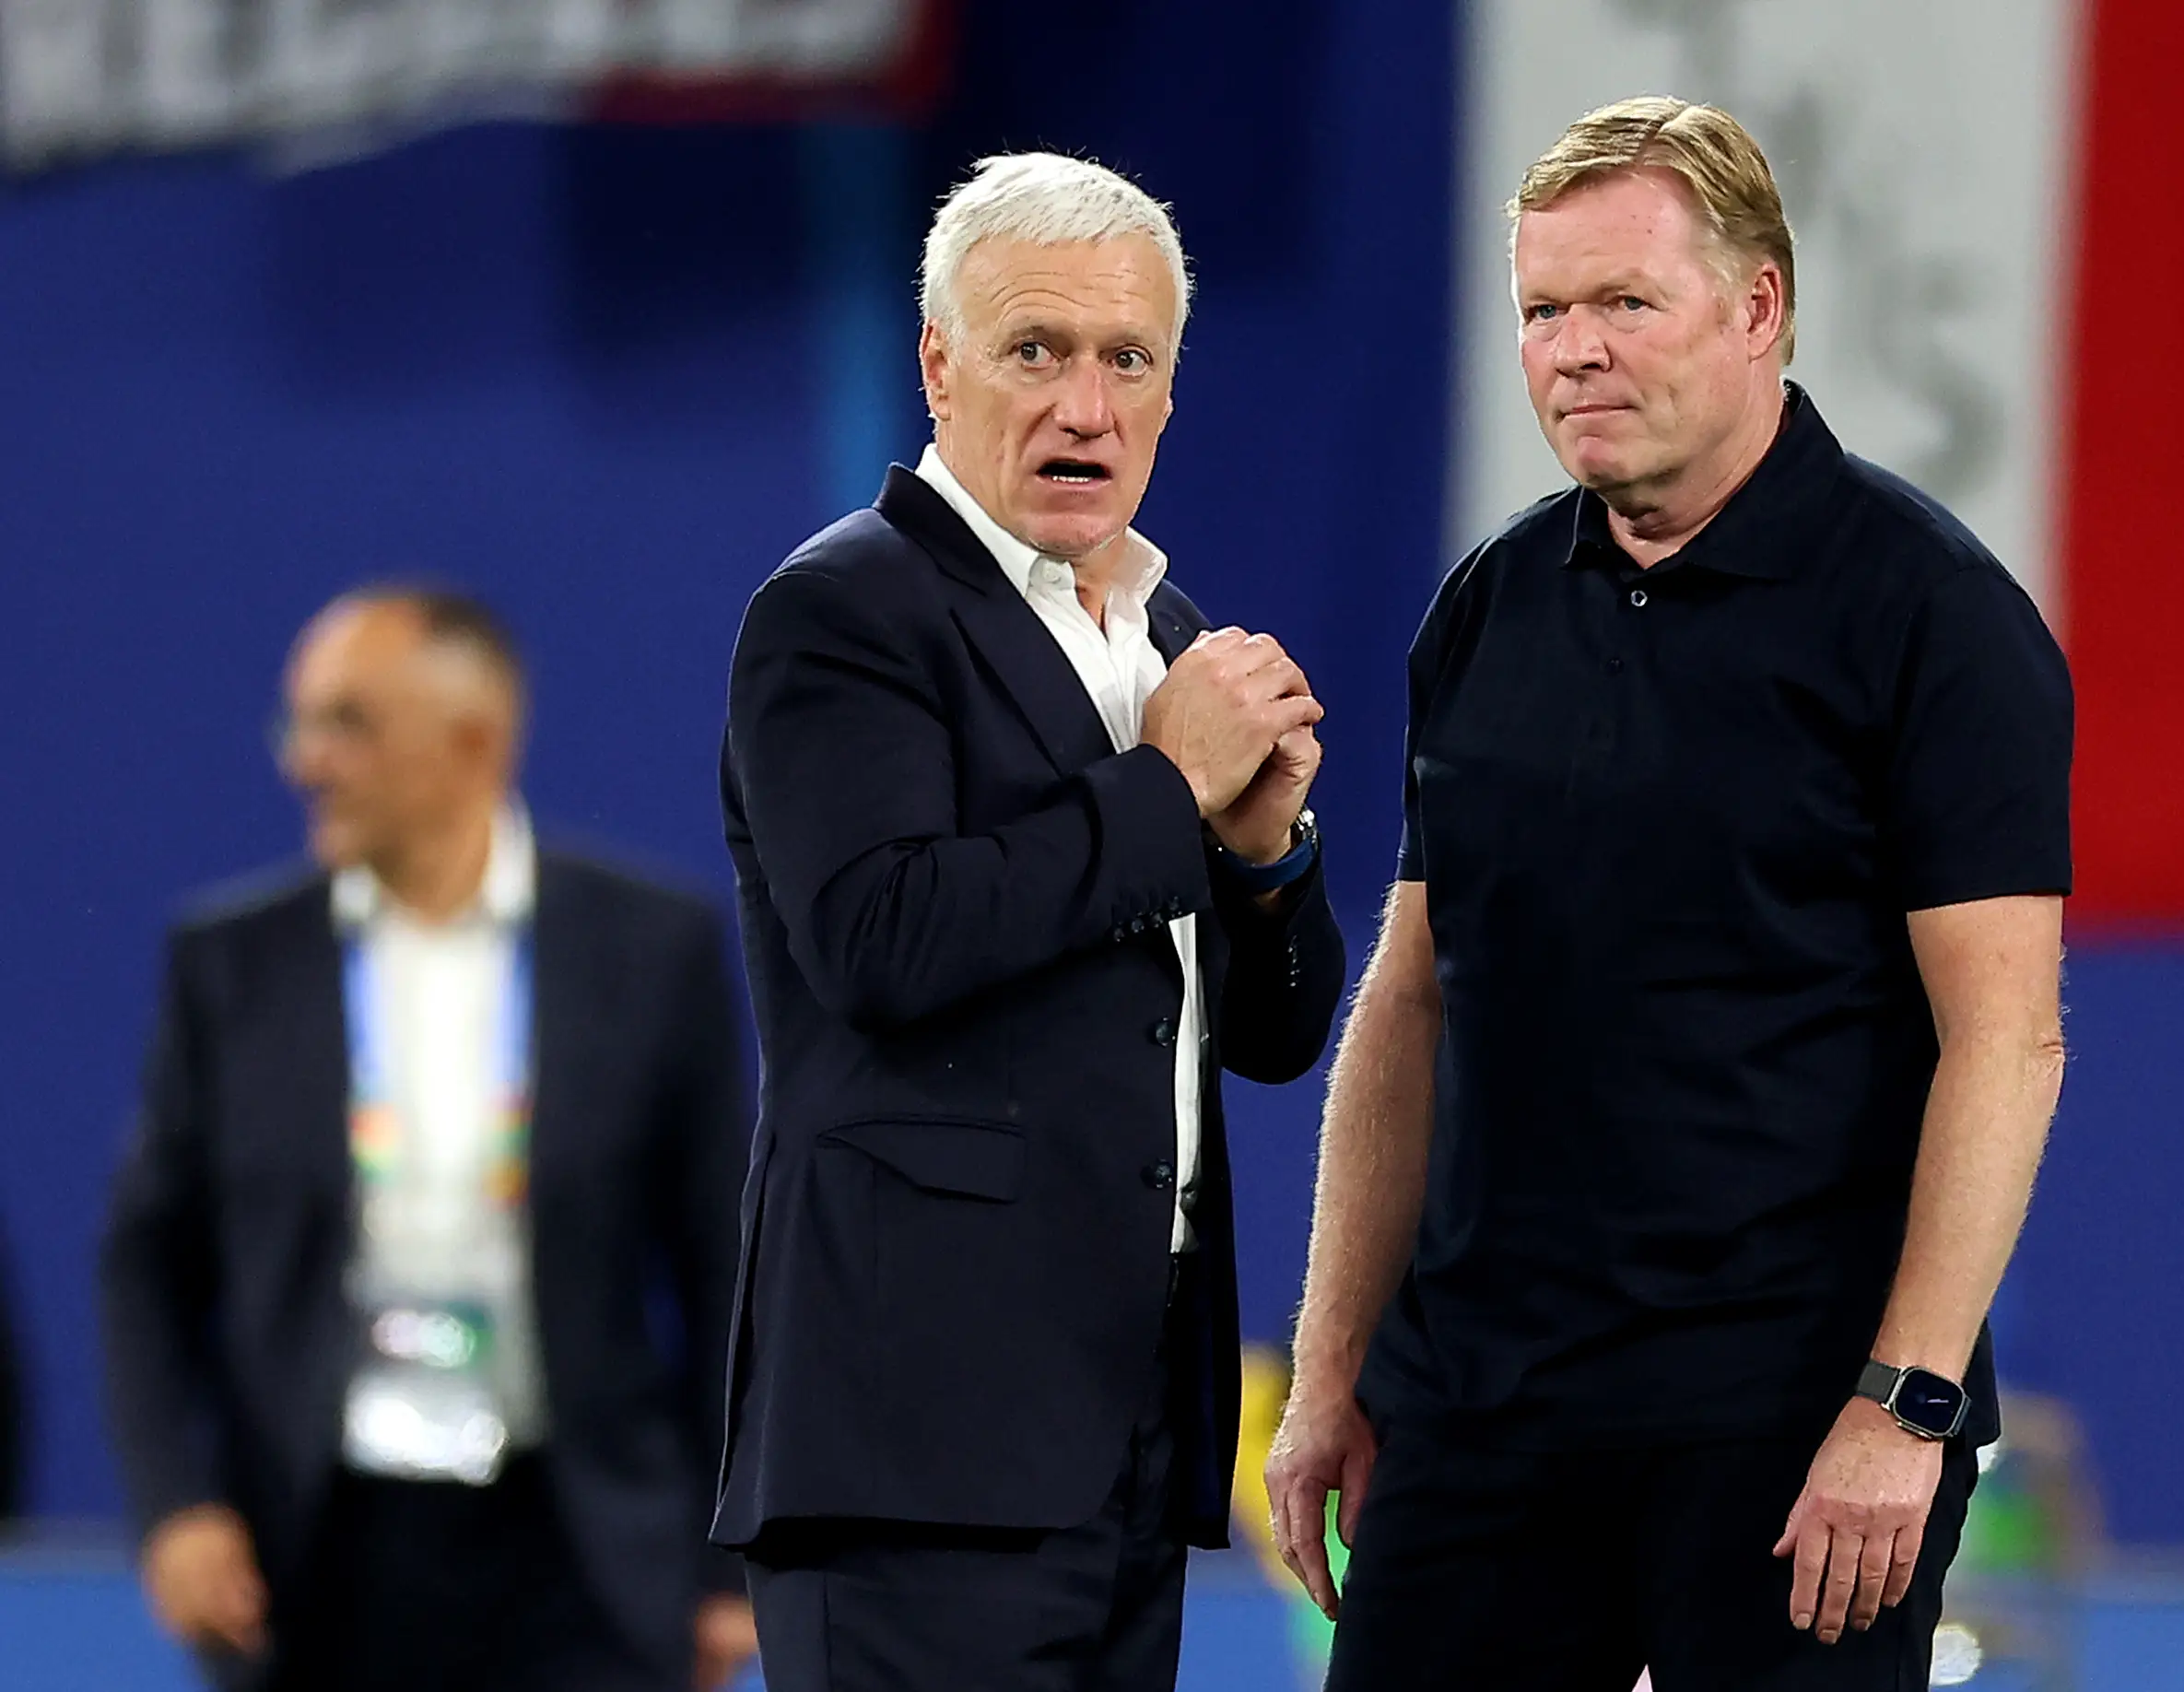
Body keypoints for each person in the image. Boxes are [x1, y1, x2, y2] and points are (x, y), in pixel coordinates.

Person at [1264, 96, 2073, 1691]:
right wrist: (1329, 1368)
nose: (1572, 350)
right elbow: (1412, 1000)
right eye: (1542, 312)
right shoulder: (1488, 607)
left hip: (1788, 1443)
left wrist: (1901, 1404)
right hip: (1480, 1421)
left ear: (1757, 305)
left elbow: (2007, 1042)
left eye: (1622, 303)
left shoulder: (1930, 619)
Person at [712, 151, 1347, 1692]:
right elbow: (879, 937)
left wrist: (1261, 858)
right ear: (938, 366)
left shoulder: (1163, 635)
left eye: (1125, 359)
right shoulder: (844, 612)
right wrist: (1167, 785)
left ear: (1171, 391)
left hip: (1122, 1436)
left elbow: (1265, 1039)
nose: (1085, 405)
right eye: (1034, 352)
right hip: (915, 1454)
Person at [100, 589, 758, 1692]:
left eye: (347, 724)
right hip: (316, 1563)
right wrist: (175, 1505)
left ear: (475, 741)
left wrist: (730, 1556)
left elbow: (730, 1264)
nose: (306, 762)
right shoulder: (233, 966)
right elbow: (144, 1263)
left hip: (583, 1561)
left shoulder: (652, 951)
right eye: (299, 724)